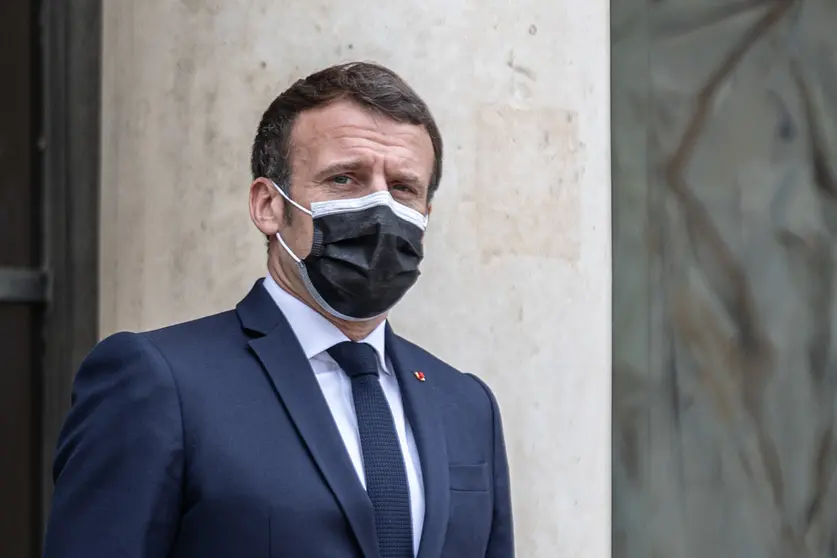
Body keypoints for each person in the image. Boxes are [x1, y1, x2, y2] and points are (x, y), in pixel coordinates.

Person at [43, 61, 513, 558]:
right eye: (344, 179)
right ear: (269, 205)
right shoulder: (160, 382)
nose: (379, 208)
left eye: (402, 188)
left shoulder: (466, 405)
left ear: (424, 215)